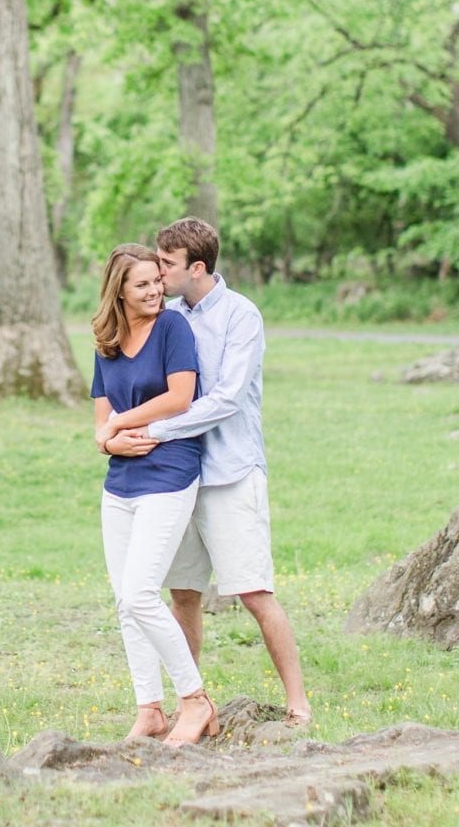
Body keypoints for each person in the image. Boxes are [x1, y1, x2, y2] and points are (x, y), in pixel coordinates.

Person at [99, 217, 311, 726]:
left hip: (230, 470)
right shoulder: (167, 315)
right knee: (184, 595)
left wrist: (153, 432)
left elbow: (225, 399)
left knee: (255, 591)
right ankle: (187, 703)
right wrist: (116, 434)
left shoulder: (242, 316)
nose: (158, 273)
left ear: (196, 268)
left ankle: (299, 704)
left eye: (166, 265)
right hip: (175, 478)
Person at [90, 244, 219, 747]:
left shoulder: (172, 328)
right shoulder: (106, 341)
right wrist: (108, 438)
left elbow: (180, 397)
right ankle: (150, 709)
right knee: (125, 602)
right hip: (120, 481)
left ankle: (195, 699)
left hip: (169, 474)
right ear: (118, 290)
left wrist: (120, 422)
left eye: (156, 280)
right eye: (142, 284)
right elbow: (100, 421)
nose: (155, 290)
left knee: (142, 593)